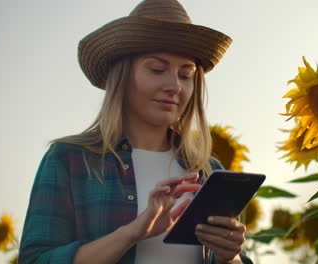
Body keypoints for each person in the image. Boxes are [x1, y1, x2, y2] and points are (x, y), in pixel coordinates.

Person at [19, 0, 253, 263]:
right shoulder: (70, 159)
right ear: (122, 76)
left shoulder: (211, 172)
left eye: (186, 75)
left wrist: (229, 256)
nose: (174, 86)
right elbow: (35, 260)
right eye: (157, 69)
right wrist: (132, 232)